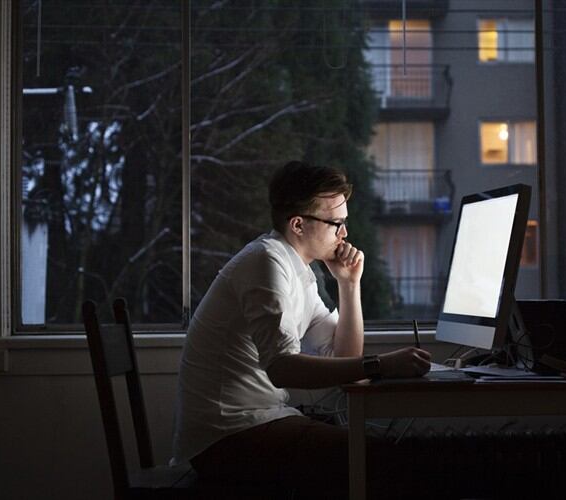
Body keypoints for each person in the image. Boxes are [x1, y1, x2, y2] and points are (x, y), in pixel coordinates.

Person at [171, 160, 431, 497]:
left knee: (377, 453)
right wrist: (382, 364)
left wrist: (349, 285)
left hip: (255, 423)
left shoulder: (300, 272)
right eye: (336, 223)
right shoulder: (267, 262)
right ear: (298, 224)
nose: (345, 234)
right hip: (226, 436)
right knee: (382, 457)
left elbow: (346, 363)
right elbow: (281, 368)